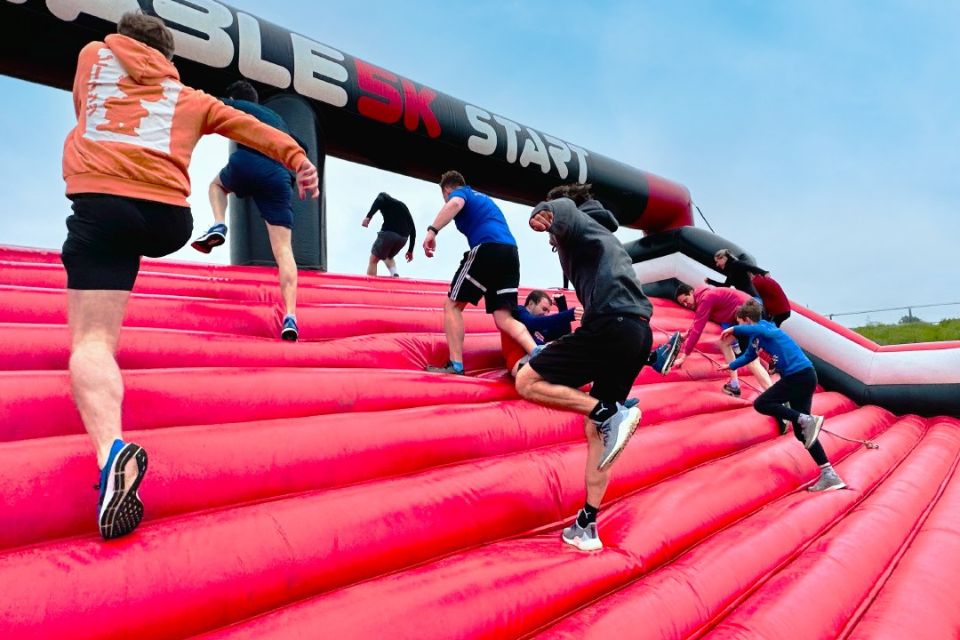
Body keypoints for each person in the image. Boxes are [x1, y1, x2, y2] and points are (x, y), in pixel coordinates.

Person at [61, 11, 319, 540]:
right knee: (176, 228)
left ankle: (112, 452)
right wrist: (297, 159)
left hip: (104, 202)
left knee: (91, 343)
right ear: (170, 60)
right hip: (165, 219)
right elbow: (246, 124)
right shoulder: (191, 97)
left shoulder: (93, 56)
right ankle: (215, 227)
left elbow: (84, 108)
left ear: (122, 41)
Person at [514, 183, 653, 552]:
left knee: (526, 380)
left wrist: (544, 213)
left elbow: (561, 209)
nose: (551, 243)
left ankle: (609, 411)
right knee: (597, 432)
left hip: (611, 324)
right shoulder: (603, 231)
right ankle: (587, 524)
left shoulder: (578, 220)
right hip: (637, 332)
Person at [191, 79, 303, 341]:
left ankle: (219, 223)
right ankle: (290, 315)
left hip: (247, 162)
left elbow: (204, 105)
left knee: (216, 186)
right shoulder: (277, 118)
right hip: (278, 176)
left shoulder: (237, 105)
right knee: (284, 250)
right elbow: (301, 147)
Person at [719, 300, 845, 492]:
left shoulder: (767, 329)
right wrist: (731, 366)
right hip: (800, 378)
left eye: (741, 323)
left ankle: (805, 419)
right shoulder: (756, 339)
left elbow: (759, 331)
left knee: (761, 403)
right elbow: (748, 356)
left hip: (800, 375)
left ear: (746, 321)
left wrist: (734, 329)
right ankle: (830, 475)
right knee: (802, 432)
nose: (740, 327)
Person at [422, 171, 536, 374]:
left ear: (447, 189)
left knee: (452, 305)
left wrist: (432, 231)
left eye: (444, 196)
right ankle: (537, 352)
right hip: (510, 253)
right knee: (503, 318)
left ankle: (455, 365)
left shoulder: (462, 193)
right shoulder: (482, 198)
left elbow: (454, 204)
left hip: (489, 248)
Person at [504, 290, 682, 379]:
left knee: (594, 347)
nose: (545, 313)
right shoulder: (520, 313)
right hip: (520, 365)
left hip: (536, 359)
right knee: (586, 346)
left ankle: (651, 359)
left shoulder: (539, 331)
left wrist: (563, 304)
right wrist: (568, 313)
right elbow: (533, 323)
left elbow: (563, 331)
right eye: (543, 309)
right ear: (530, 303)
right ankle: (652, 360)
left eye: (548, 310)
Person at [673, 283, 773, 397]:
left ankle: (774, 397)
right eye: (683, 304)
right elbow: (698, 322)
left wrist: (684, 356)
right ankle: (734, 385)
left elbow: (698, 330)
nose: (686, 304)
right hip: (749, 313)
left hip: (749, 317)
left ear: (691, 292)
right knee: (724, 343)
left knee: (752, 362)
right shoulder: (704, 295)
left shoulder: (706, 299)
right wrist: (686, 335)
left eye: (686, 300)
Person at [361, 192, 416, 277]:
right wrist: (410, 250)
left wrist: (369, 216)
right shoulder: (403, 206)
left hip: (389, 234)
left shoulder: (383, 196)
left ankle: (370, 283)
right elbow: (413, 229)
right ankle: (394, 273)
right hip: (403, 238)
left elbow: (379, 201)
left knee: (373, 259)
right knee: (388, 256)